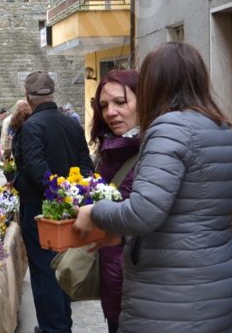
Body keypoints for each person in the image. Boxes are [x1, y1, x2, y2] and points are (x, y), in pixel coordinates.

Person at [74, 42, 232, 332]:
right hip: (216, 286)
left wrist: (94, 212)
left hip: (171, 297)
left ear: (154, 84)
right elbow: (188, 211)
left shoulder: (169, 128)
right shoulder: (220, 128)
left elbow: (143, 213)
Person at [12, 71, 94, 333]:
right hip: (70, 208)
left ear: (28, 96)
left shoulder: (32, 127)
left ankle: (54, 328)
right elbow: (86, 165)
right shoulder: (72, 123)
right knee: (62, 266)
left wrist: (58, 194)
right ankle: (61, 324)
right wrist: (73, 194)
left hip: (41, 210)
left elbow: (37, 169)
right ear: (53, 93)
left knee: (45, 271)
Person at [87, 69, 140, 333]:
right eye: (104, 105)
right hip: (113, 272)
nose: (110, 112)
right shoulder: (110, 149)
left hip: (144, 282)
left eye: (121, 102)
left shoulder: (156, 149)